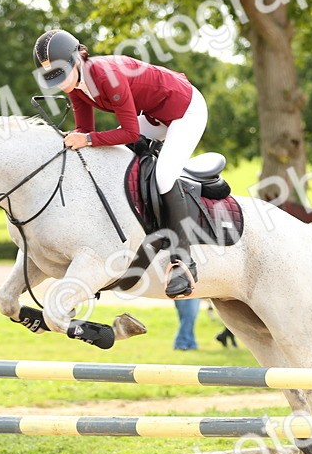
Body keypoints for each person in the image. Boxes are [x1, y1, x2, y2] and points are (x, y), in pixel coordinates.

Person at [33, 29, 207, 298]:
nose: (60, 83)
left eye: (62, 73)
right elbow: (85, 130)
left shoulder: (106, 76)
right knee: (116, 160)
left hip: (185, 110)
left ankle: (183, 263)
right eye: (52, 77)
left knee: (163, 176)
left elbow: (129, 133)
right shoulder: (77, 85)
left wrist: (87, 139)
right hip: (153, 114)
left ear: (77, 58)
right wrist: (79, 138)